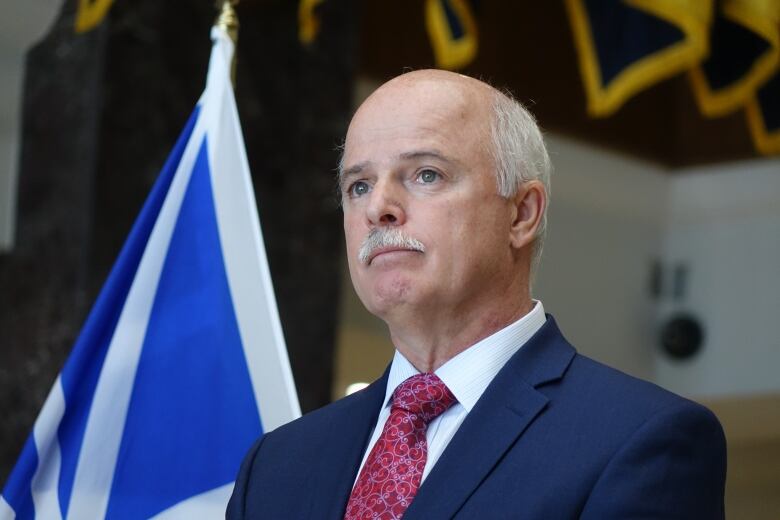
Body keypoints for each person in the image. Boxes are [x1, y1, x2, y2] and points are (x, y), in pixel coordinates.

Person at [227, 70, 726, 519]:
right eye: (358, 185)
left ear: (521, 214)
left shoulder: (640, 440)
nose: (378, 207)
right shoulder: (275, 465)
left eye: (426, 174)